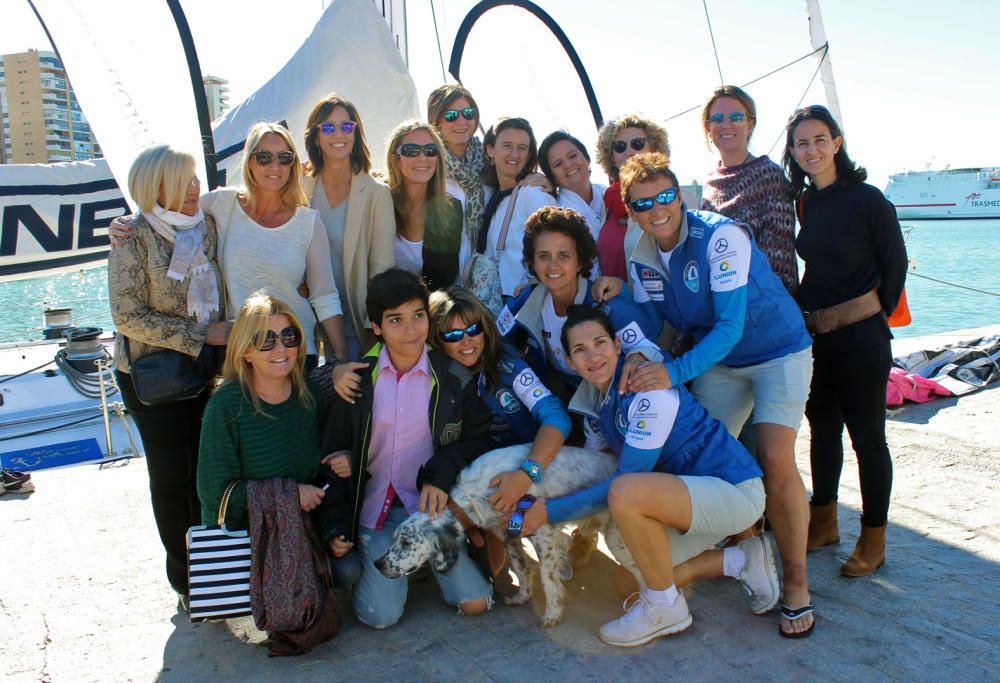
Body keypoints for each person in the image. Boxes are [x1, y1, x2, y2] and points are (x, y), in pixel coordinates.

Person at [610, 152, 816, 637]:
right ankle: (749, 550)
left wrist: (672, 373)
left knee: (773, 456)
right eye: (643, 203)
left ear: (680, 196)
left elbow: (729, 325)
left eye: (665, 197)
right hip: (721, 361)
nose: (656, 209)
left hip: (777, 351)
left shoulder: (720, 236)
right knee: (707, 459)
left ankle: (798, 585)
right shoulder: (639, 248)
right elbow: (656, 323)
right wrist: (619, 307)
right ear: (629, 208)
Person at [515, 306, 779, 646]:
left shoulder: (646, 383)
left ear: (616, 344)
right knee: (631, 579)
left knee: (625, 492)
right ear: (568, 361)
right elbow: (597, 472)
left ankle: (667, 610)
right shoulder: (595, 402)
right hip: (688, 498)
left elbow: (625, 481)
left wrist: (549, 512)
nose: (593, 356)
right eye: (580, 350)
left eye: (600, 343)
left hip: (734, 490)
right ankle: (742, 559)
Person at [313, 268, 494, 629]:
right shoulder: (358, 379)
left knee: (476, 603)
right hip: (376, 506)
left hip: (429, 506)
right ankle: (379, 560)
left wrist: (440, 475)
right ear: (377, 327)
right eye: (396, 320)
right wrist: (351, 456)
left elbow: (477, 438)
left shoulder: (452, 376)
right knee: (382, 616)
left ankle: (423, 560)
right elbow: (327, 450)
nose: (411, 330)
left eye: (418, 316)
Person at [783, 104, 907, 579]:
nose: (810, 150)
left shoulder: (868, 199)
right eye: (800, 143)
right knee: (822, 433)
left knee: (869, 440)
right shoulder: (806, 203)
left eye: (819, 139)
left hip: (861, 339)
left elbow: (893, 265)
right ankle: (824, 522)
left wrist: (866, 314)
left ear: (836, 142)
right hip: (818, 339)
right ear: (793, 153)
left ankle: (873, 538)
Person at [108, 144, 229, 608]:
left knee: (205, 469)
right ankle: (187, 582)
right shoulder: (133, 236)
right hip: (153, 376)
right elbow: (127, 316)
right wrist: (201, 334)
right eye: (183, 182)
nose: (195, 188)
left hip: (204, 372)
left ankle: (217, 566)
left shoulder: (208, 226)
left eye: (196, 179)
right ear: (156, 189)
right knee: (172, 478)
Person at [201, 121, 347, 370]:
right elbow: (173, 211)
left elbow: (324, 295)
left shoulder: (308, 222)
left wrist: (342, 358)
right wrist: (130, 222)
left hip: (296, 352)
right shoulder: (223, 204)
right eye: (264, 157)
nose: (275, 166)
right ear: (249, 161)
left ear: (293, 164)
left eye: (284, 157)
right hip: (244, 354)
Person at [428, 286, 570, 514]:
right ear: (436, 339)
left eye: (474, 329)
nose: (466, 341)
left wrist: (527, 473)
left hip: (519, 466)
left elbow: (556, 417)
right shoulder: (430, 371)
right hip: (459, 469)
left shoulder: (506, 363)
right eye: (453, 335)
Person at [498, 206, 661, 403]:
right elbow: (495, 340)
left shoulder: (607, 306)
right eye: (543, 256)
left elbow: (653, 352)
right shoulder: (527, 299)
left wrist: (639, 357)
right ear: (532, 261)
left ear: (580, 262)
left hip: (608, 401)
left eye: (564, 256)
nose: (552, 265)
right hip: (554, 396)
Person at [197, 292, 325, 531]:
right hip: (247, 543)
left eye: (289, 336)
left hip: (309, 531)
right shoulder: (225, 406)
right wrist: (289, 496)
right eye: (266, 340)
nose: (281, 348)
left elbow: (324, 464)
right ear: (245, 351)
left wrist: (345, 458)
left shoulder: (309, 394)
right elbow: (214, 494)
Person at [302, 93, 395, 361]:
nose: (338, 134)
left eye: (346, 126)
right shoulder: (300, 187)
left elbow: (381, 270)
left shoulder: (376, 194)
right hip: (305, 325)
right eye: (328, 127)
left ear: (356, 133)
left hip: (355, 324)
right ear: (316, 136)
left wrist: (371, 330)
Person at [700, 85, 798, 294]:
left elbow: (779, 260)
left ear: (750, 124)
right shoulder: (708, 185)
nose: (726, 125)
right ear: (708, 128)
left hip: (763, 308)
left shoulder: (769, 176)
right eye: (717, 119)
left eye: (736, 117)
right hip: (719, 308)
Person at [385, 120, 467, 291]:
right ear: (396, 160)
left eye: (430, 150)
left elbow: (453, 280)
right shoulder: (380, 203)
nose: (422, 157)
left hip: (439, 309)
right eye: (411, 151)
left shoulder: (452, 210)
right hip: (389, 309)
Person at [480, 117, 553, 298]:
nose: (515, 154)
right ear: (490, 150)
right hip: (494, 301)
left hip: (521, 300)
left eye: (522, 148)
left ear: (528, 156)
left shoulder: (532, 194)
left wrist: (538, 282)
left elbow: (558, 241)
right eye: (507, 146)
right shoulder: (490, 197)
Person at [593, 115, 669, 279]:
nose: (629, 152)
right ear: (611, 156)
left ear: (653, 148)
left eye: (637, 144)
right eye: (620, 146)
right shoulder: (606, 202)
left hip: (655, 300)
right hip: (615, 301)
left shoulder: (670, 197)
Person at [538, 130, 607, 243]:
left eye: (572, 156)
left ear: (587, 158)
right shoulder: (556, 214)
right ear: (552, 177)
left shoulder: (608, 193)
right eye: (558, 164)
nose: (568, 165)